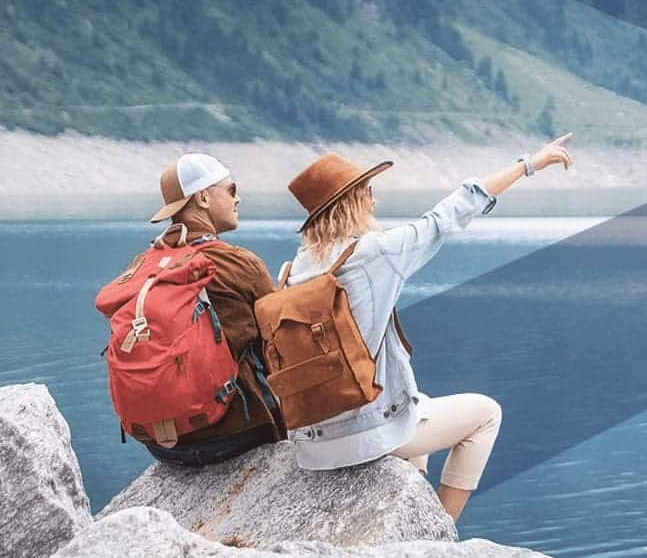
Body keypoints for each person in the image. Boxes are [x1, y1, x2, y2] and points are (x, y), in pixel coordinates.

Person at [282, 134, 574, 520]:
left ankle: (408, 519)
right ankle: (440, 532)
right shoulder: (376, 252)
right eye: (367, 191)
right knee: (486, 414)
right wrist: (529, 163)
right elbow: (449, 213)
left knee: (417, 403)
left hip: (312, 440)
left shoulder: (291, 271)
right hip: (361, 435)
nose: (374, 200)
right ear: (351, 203)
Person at [141, 153, 283, 464]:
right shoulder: (238, 262)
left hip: (162, 443)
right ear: (203, 197)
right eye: (231, 190)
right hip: (231, 434)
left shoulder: (145, 266)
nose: (238, 198)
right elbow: (280, 344)